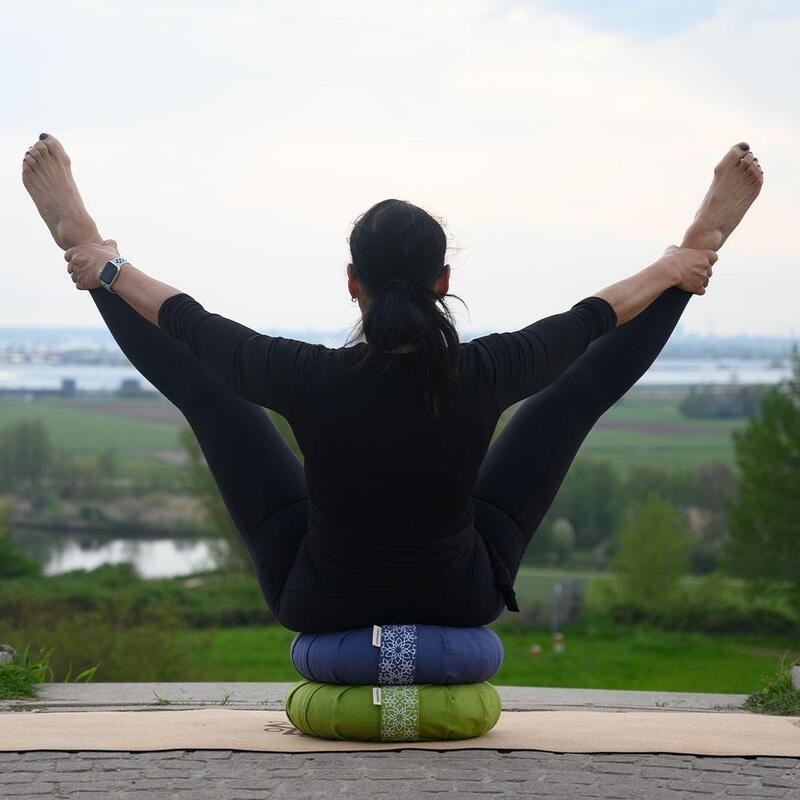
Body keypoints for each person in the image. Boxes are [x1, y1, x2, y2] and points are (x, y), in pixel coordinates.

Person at [21, 135, 763, 633]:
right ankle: (699, 252)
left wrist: (105, 267)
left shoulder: (310, 376)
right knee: (568, 401)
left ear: (352, 284)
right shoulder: (485, 370)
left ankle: (84, 242)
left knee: (216, 402)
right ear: (445, 281)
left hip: (319, 597)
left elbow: (186, 323)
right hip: (459, 596)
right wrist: (673, 269)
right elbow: (596, 318)